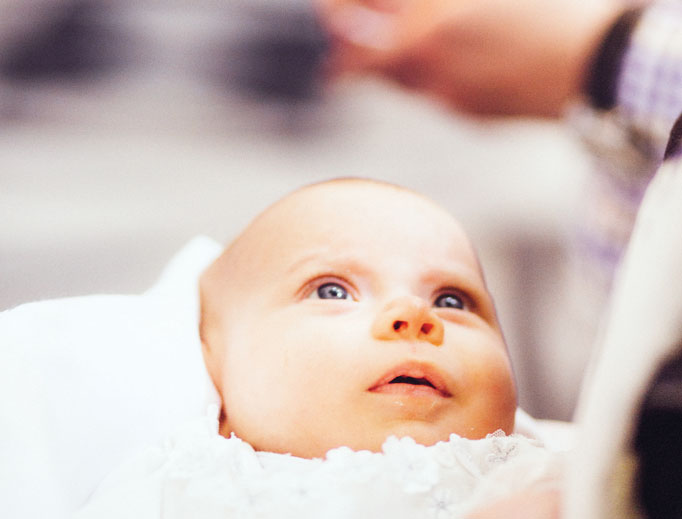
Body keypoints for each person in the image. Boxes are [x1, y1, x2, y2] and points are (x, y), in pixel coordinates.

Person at [74, 179, 562, 518]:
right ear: (215, 361)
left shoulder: (554, 467)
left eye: (453, 300)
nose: (415, 316)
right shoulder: (178, 484)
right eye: (332, 291)